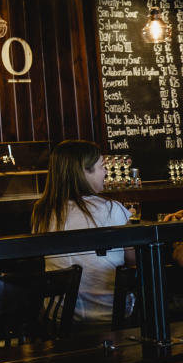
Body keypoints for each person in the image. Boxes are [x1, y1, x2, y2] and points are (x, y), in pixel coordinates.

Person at [31, 139, 135, 325]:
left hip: (57, 319)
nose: (106, 172)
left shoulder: (42, 212)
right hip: (110, 316)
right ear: (83, 172)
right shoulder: (111, 209)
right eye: (101, 166)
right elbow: (133, 259)